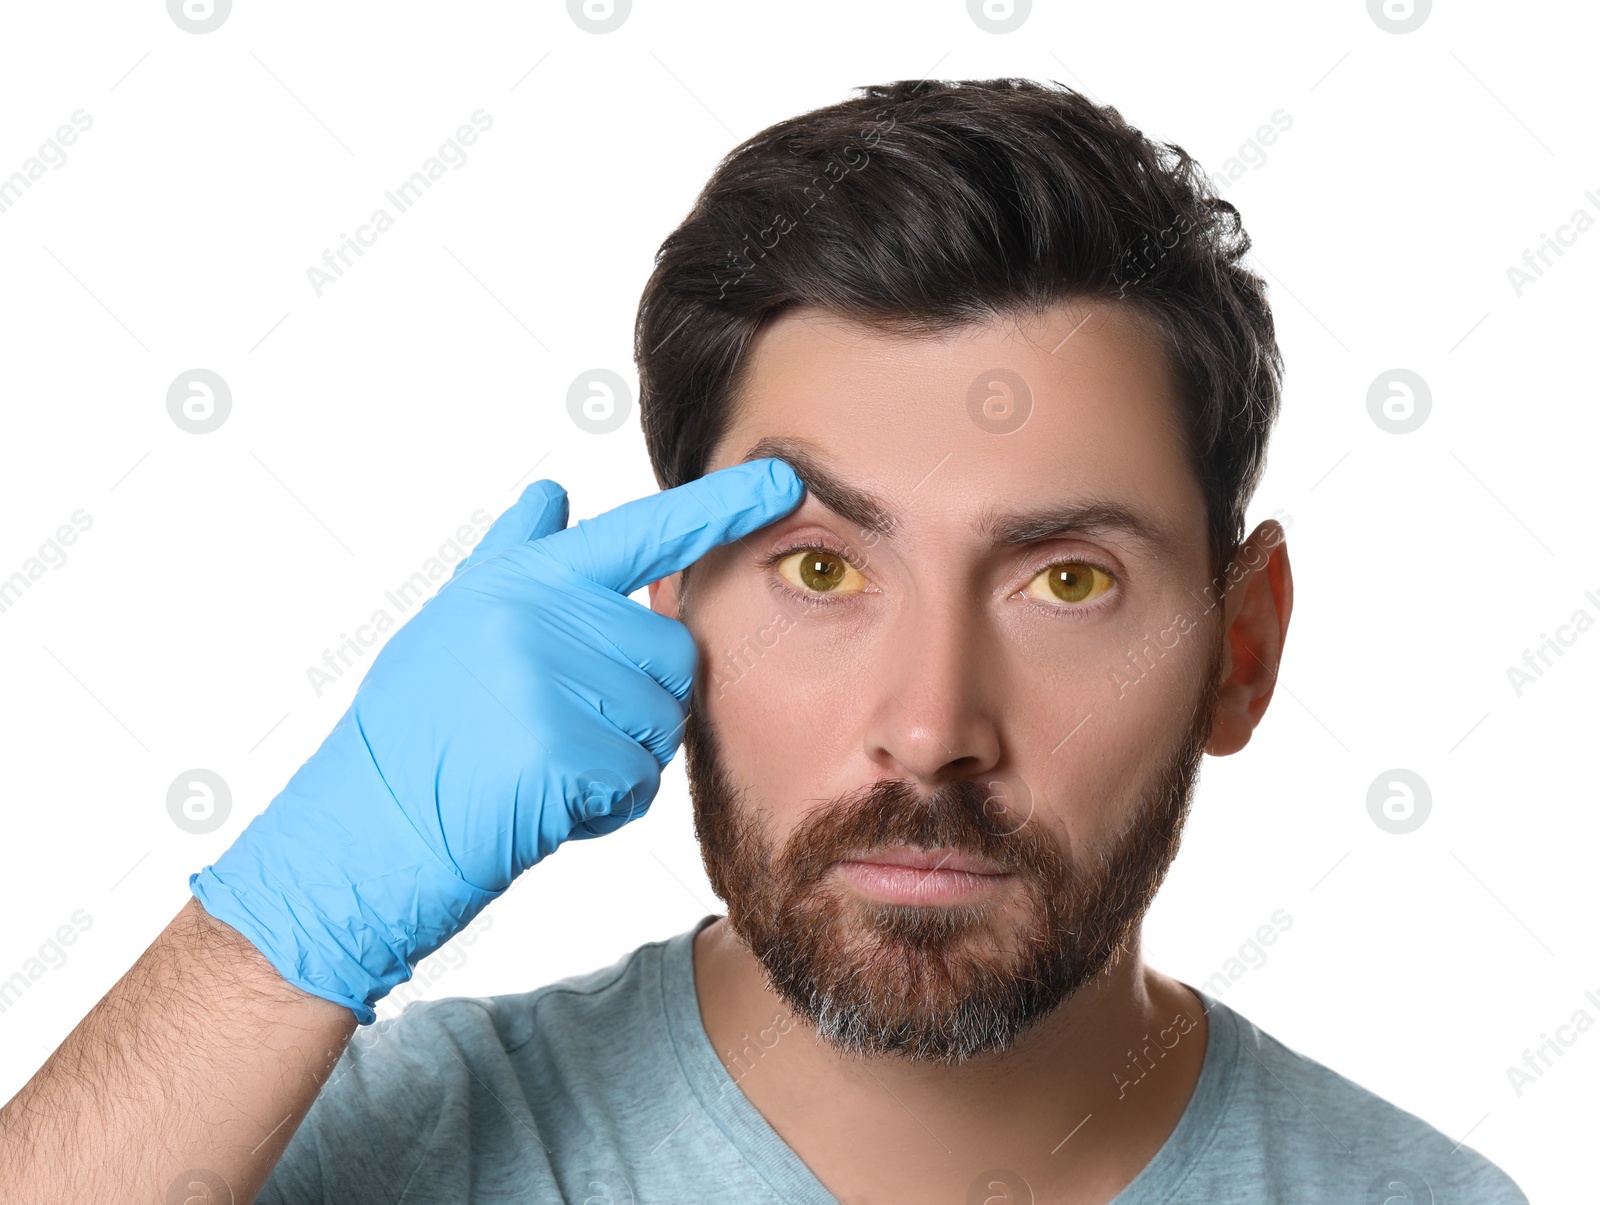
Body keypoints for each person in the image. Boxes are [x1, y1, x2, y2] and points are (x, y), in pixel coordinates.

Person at [0, 78, 1525, 1204]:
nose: (931, 726)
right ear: (668, 599)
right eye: (816, 565)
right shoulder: (358, 1151)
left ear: (1240, 649)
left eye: (1064, 582)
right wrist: (285, 926)